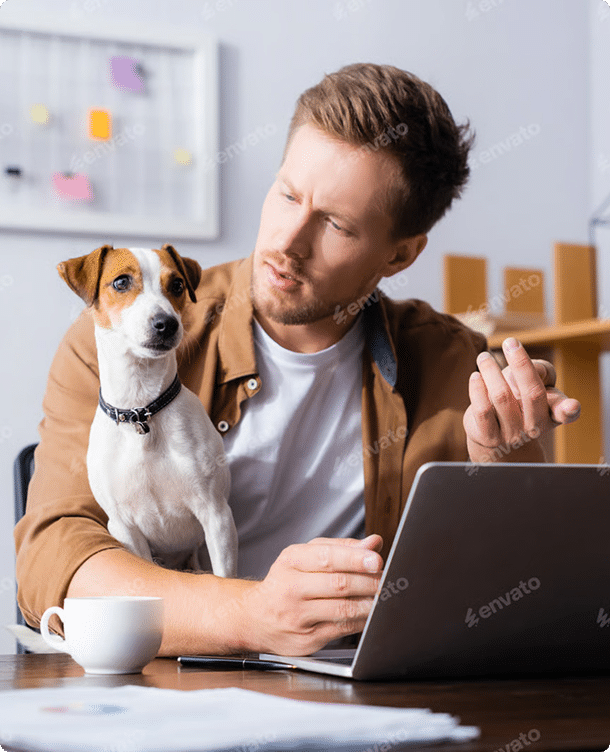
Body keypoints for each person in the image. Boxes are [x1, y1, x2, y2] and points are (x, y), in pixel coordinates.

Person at [14, 63, 580, 657]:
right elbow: (56, 557)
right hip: (171, 695)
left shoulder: (452, 364)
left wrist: (505, 466)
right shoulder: (122, 337)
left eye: (335, 223)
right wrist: (248, 615)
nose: (286, 241)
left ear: (401, 254)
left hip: (365, 710)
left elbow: (522, 599)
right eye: (286, 194)